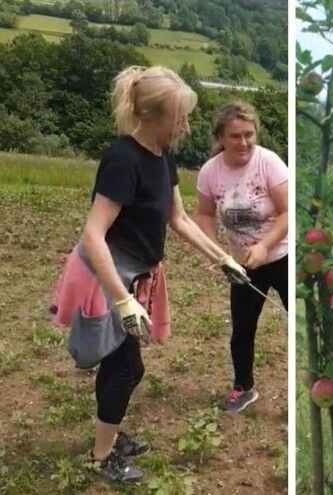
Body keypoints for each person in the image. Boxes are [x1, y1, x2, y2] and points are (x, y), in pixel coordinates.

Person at [51, 65, 249, 484]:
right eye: (179, 115)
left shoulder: (163, 154)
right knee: (123, 369)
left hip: (138, 273)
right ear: (152, 116)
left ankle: (109, 435)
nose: (186, 124)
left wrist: (222, 258)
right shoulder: (124, 159)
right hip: (108, 274)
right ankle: (101, 457)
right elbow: (92, 235)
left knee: (130, 368)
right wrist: (121, 299)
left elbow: (178, 218)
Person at [195, 101, 289, 413]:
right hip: (243, 264)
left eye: (249, 134)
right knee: (242, 329)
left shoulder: (269, 162)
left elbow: (289, 212)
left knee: (297, 323)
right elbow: (204, 215)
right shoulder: (210, 172)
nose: (244, 142)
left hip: (282, 256)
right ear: (221, 137)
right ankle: (243, 387)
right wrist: (220, 255)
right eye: (236, 136)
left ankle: (311, 383)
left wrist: (265, 246)